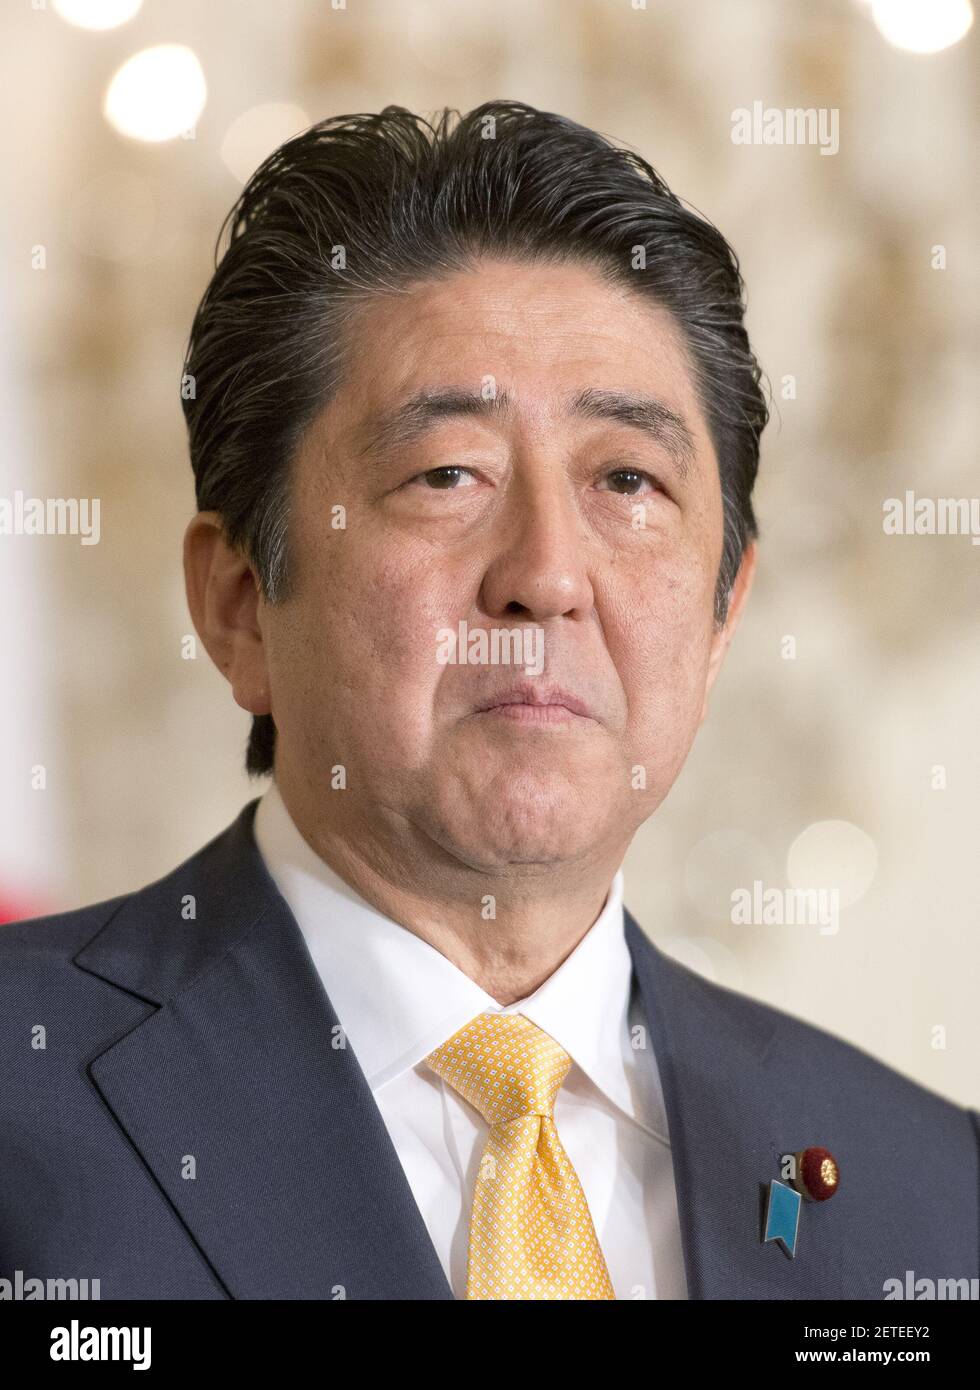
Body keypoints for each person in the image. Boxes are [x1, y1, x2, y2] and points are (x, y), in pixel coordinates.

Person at [1, 103, 976, 1302]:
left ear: (721, 617)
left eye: (628, 478)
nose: (546, 576)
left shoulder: (927, 1197)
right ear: (242, 605)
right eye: (446, 473)